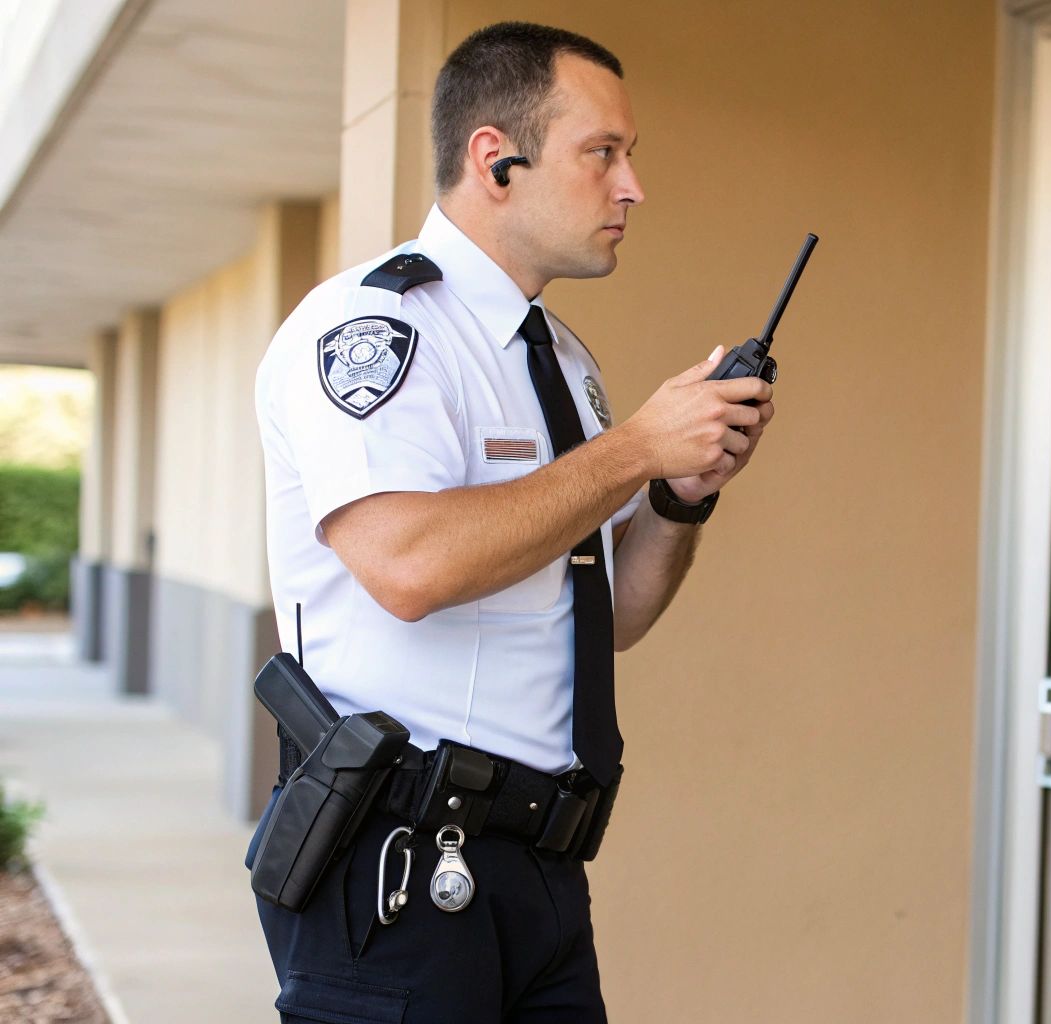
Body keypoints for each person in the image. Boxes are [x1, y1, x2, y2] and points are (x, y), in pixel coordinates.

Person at [247, 21, 774, 1022]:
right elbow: (407, 566)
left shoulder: (563, 362)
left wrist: (678, 494)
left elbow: (608, 615)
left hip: (536, 870)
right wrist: (635, 450)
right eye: (602, 153)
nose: (631, 188)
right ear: (496, 160)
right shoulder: (373, 330)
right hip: (397, 870)